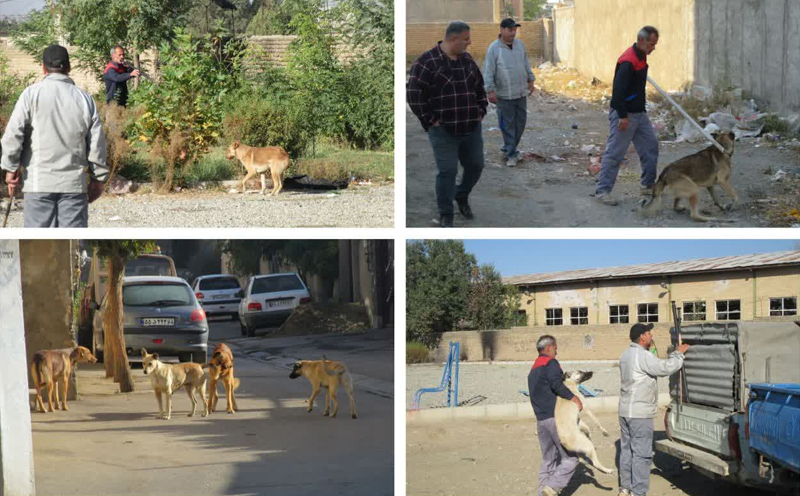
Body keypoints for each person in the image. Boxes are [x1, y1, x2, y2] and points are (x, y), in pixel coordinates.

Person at [1, 45, 108, 228]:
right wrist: (98, 180)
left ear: (43, 67)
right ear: (68, 67)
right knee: (71, 243)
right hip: (73, 186)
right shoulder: (84, 99)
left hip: (38, 184)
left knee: (38, 245)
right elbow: (96, 143)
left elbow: (14, 134)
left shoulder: (30, 95)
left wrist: (10, 169)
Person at [407, 20, 488, 228]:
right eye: (466, 39)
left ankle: (461, 195)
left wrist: (481, 110)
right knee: (447, 172)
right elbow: (414, 95)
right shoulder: (426, 62)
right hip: (443, 132)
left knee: (476, 165)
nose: (470, 43)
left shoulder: (467, 60)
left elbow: (479, 87)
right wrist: (430, 120)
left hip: (471, 128)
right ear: (453, 39)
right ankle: (446, 214)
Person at [618, 323, 690, 496]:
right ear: (642, 337)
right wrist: (679, 353)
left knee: (627, 452)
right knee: (642, 455)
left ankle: (625, 488)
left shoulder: (626, 354)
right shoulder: (642, 355)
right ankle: (638, 492)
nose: (651, 336)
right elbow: (665, 368)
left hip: (625, 411)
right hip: (639, 414)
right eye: (649, 333)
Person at [595, 26, 660, 206]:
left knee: (650, 147)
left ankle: (647, 185)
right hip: (625, 114)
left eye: (655, 44)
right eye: (652, 44)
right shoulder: (628, 61)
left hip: (639, 113)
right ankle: (603, 191)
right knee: (615, 153)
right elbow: (617, 94)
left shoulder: (641, 55)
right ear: (641, 41)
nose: (653, 48)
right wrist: (623, 116)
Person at [527, 335, 584, 496]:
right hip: (555, 418)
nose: (557, 352)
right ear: (549, 348)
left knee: (548, 460)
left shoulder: (534, 368)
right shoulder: (550, 363)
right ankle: (552, 487)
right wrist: (574, 398)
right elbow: (556, 384)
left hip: (541, 420)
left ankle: (542, 493)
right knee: (571, 458)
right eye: (556, 348)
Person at [483, 18, 536, 167]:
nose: (513, 33)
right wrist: (490, 90)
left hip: (520, 93)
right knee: (507, 126)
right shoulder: (494, 48)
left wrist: (531, 80)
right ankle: (511, 154)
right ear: (502, 29)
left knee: (520, 124)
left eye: (515, 30)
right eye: (510, 29)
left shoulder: (519, 45)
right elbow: (488, 71)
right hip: (504, 95)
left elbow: (526, 63)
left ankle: (508, 148)